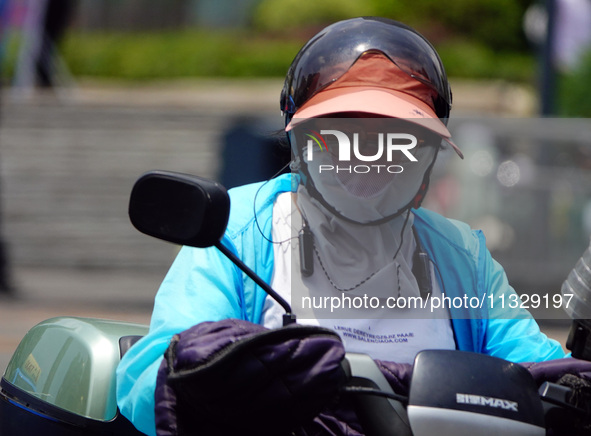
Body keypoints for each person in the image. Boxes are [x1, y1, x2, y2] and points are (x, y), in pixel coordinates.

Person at [117, 17, 568, 436]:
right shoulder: (239, 229)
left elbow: (537, 368)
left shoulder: (458, 254)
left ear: (429, 150)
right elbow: (150, 370)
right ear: (300, 138)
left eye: (399, 138)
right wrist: (219, 374)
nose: (367, 161)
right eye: (338, 135)